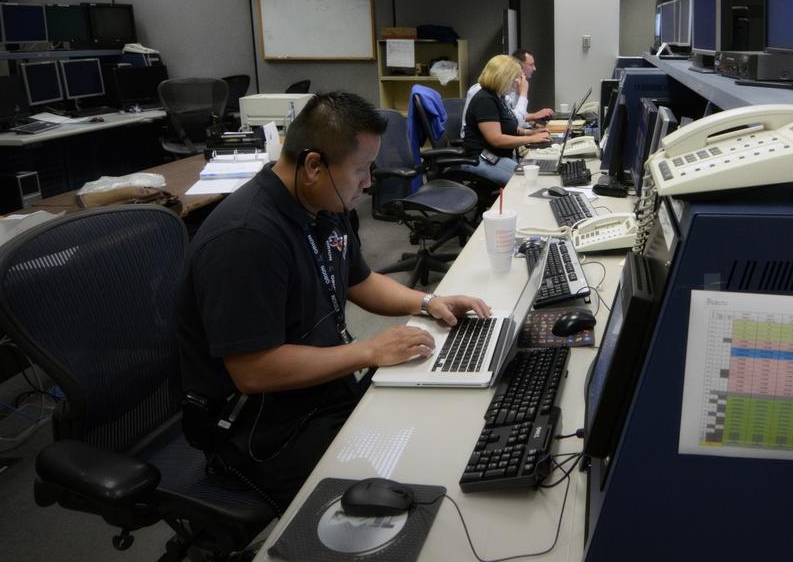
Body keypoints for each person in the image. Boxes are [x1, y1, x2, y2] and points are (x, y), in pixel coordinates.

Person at [177, 91, 491, 509]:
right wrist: (370, 351)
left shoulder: (325, 203)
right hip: (261, 428)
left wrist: (428, 301)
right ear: (313, 165)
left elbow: (358, 281)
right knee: (415, 478)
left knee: (439, 421)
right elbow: (254, 370)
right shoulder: (247, 238)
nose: (369, 182)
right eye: (361, 169)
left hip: (319, 390)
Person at [459, 54, 552, 186]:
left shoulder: (499, 97)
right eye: (515, 78)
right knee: (528, 182)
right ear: (502, 77)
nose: (518, 83)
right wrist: (531, 139)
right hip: (481, 158)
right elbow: (496, 139)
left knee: (535, 174)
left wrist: (529, 133)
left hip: (496, 156)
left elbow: (507, 126)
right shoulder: (485, 100)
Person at [461, 50, 553, 137]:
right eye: (531, 65)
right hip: (482, 145)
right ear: (504, 75)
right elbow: (515, 121)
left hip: (502, 137)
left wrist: (530, 131)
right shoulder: (483, 95)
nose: (534, 68)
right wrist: (523, 94)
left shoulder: (501, 93)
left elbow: (511, 120)